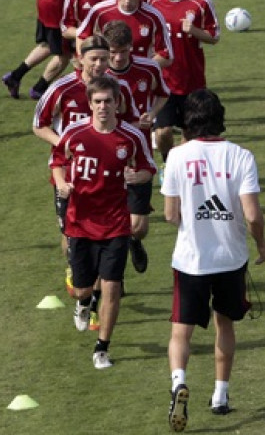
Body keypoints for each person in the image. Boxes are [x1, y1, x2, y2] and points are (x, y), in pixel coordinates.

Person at [162, 89, 265, 431]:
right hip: (230, 257)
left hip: (192, 259)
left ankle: (179, 382)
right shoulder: (241, 156)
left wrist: (192, 221)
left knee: (182, 331)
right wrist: (262, 243)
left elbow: (169, 214)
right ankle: (221, 395)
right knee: (225, 324)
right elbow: (252, 214)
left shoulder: (177, 157)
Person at [51, 75, 156, 368]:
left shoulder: (131, 137)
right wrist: (61, 183)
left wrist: (138, 177)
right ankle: (84, 303)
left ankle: (102, 348)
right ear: (90, 103)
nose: (102, 107)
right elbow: (57, 161)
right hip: (81, 222)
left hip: (115, 223)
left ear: (117, 102)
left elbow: (149, 167)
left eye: (108, 101)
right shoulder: (74, 133)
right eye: (97, 101)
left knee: (111, 286)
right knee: (83, 287)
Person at [33, 35, 141, 317]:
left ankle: (97, 294)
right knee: (70, 232)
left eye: (104, 59)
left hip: (110, 174)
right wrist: (65, 145)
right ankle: (79, 271)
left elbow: (130, 122)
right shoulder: (62, 88)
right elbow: (38, 124)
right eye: (94, 59)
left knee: (106, 235)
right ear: (80, 59)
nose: (99, 64)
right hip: (69, 175)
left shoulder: (118, 89)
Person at [104, 21, 169, 274]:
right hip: (108, 152)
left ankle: (134, 241)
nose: (118, 58)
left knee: (139, 226)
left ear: (131, 48)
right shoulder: (99, 77)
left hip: (139, 152)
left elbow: (163, 94)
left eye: (123, 52)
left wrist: (152, 114)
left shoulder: (149, 68)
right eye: (112, 53)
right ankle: (112, 277)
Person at [148, 0, 221, 162]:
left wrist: (194, 31)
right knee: (162, 132)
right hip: (164, 82)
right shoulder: (154, 0)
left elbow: (214, 36)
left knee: (189, 134)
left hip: (192, 81)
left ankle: (176, 168)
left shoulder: (201, 3)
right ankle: (167, 162)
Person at [77, 0, 173, 66]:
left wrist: (138, 68)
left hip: (137, 78)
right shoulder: (99, 11)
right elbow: (81, 36)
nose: (127, 0)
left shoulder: (153, 16)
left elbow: (166, 56)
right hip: (105, 76)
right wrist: (85, 63)